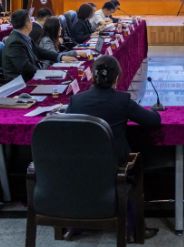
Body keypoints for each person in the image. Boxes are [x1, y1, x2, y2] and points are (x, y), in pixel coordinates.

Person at [66, 55, 162, 241]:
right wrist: (153, 110)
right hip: (115, 166)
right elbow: (153, 121)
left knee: (85, 171)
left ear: (93, 77)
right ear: (117, 78)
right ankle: (133, 230)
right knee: (132, 168)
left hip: (80, 165)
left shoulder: (76, 101)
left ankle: (75, 226)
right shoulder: (122, 100)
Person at [2, 10, 78, 80]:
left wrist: (61, 57)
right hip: (21, 82)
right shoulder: (15, 42)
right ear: (27, 25)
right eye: (31, 21)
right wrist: (44, 74)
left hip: (30, 76)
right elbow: (25, 67)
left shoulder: (24, 37)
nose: (32, 23)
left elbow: (39, 51)